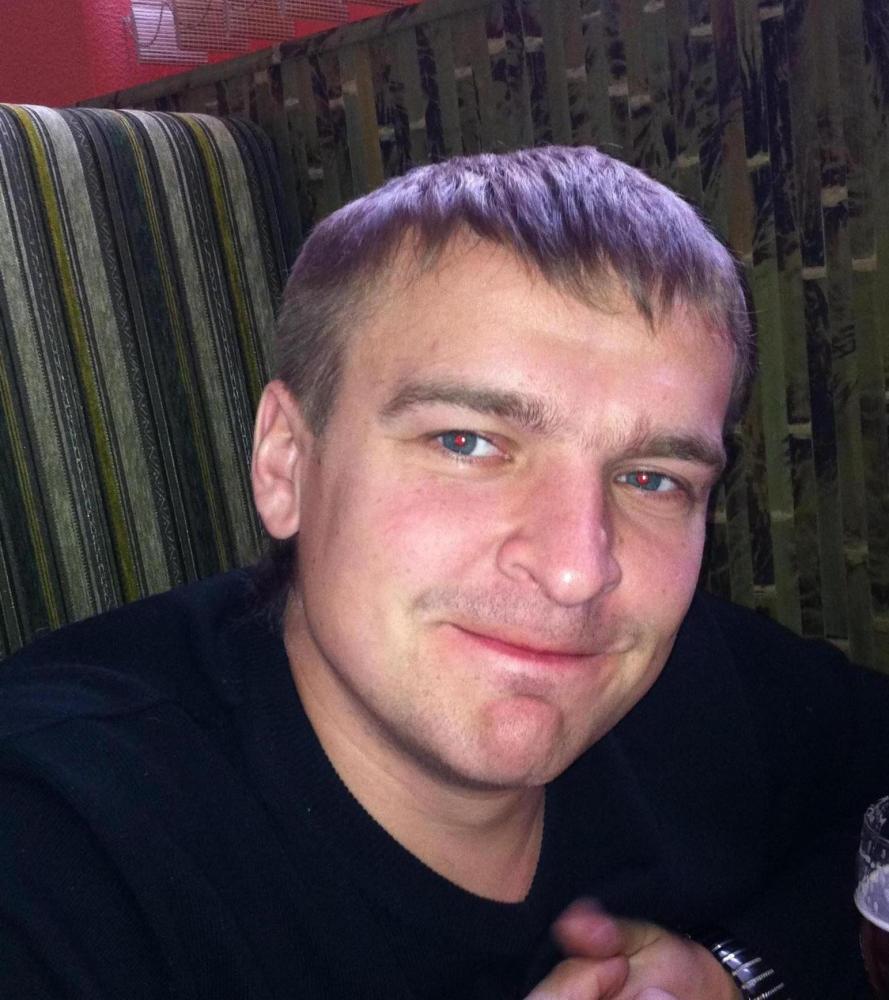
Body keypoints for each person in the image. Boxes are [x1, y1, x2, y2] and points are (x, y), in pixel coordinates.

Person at [0, 145, 885, 1000]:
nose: (578, 570)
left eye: (651, 478)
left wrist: (742, 973)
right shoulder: (56, 840)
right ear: (285, 464)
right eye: (466, 441)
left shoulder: (701, 676)